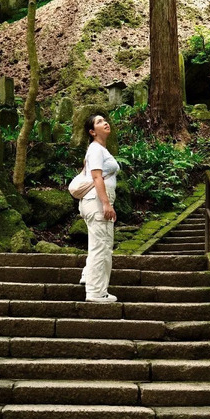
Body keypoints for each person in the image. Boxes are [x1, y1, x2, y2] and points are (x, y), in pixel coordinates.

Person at [79, 113, 120, 303]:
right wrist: (106, 203)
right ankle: (96, 292)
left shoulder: (98, 150)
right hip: (97, 201)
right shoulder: (96, 149)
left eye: (105, 120)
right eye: (99, 122)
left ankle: (89, 275)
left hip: (94, 200)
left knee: (98, 243)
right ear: (92, 132)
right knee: (102, 246)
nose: (105, 123)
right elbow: (96, 178)